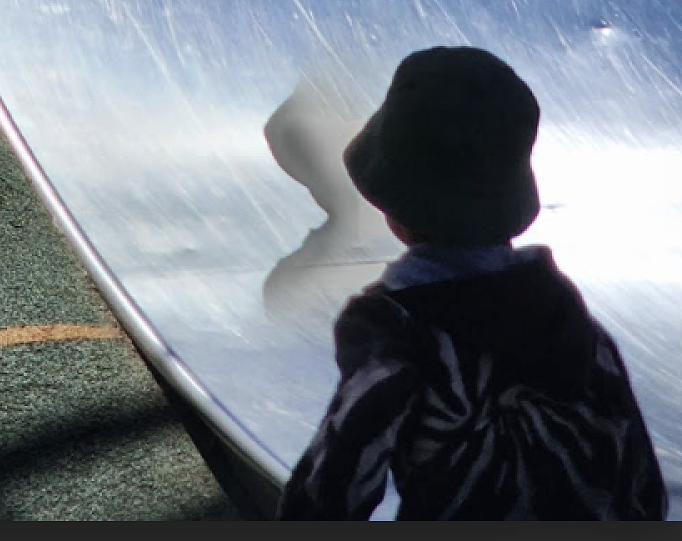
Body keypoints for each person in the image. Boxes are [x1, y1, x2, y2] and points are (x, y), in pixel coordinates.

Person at [277, 46, 667, 522]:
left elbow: (337, 480)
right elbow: (642, 485)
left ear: (393, 205)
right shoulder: (568, 321)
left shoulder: (397, 331)